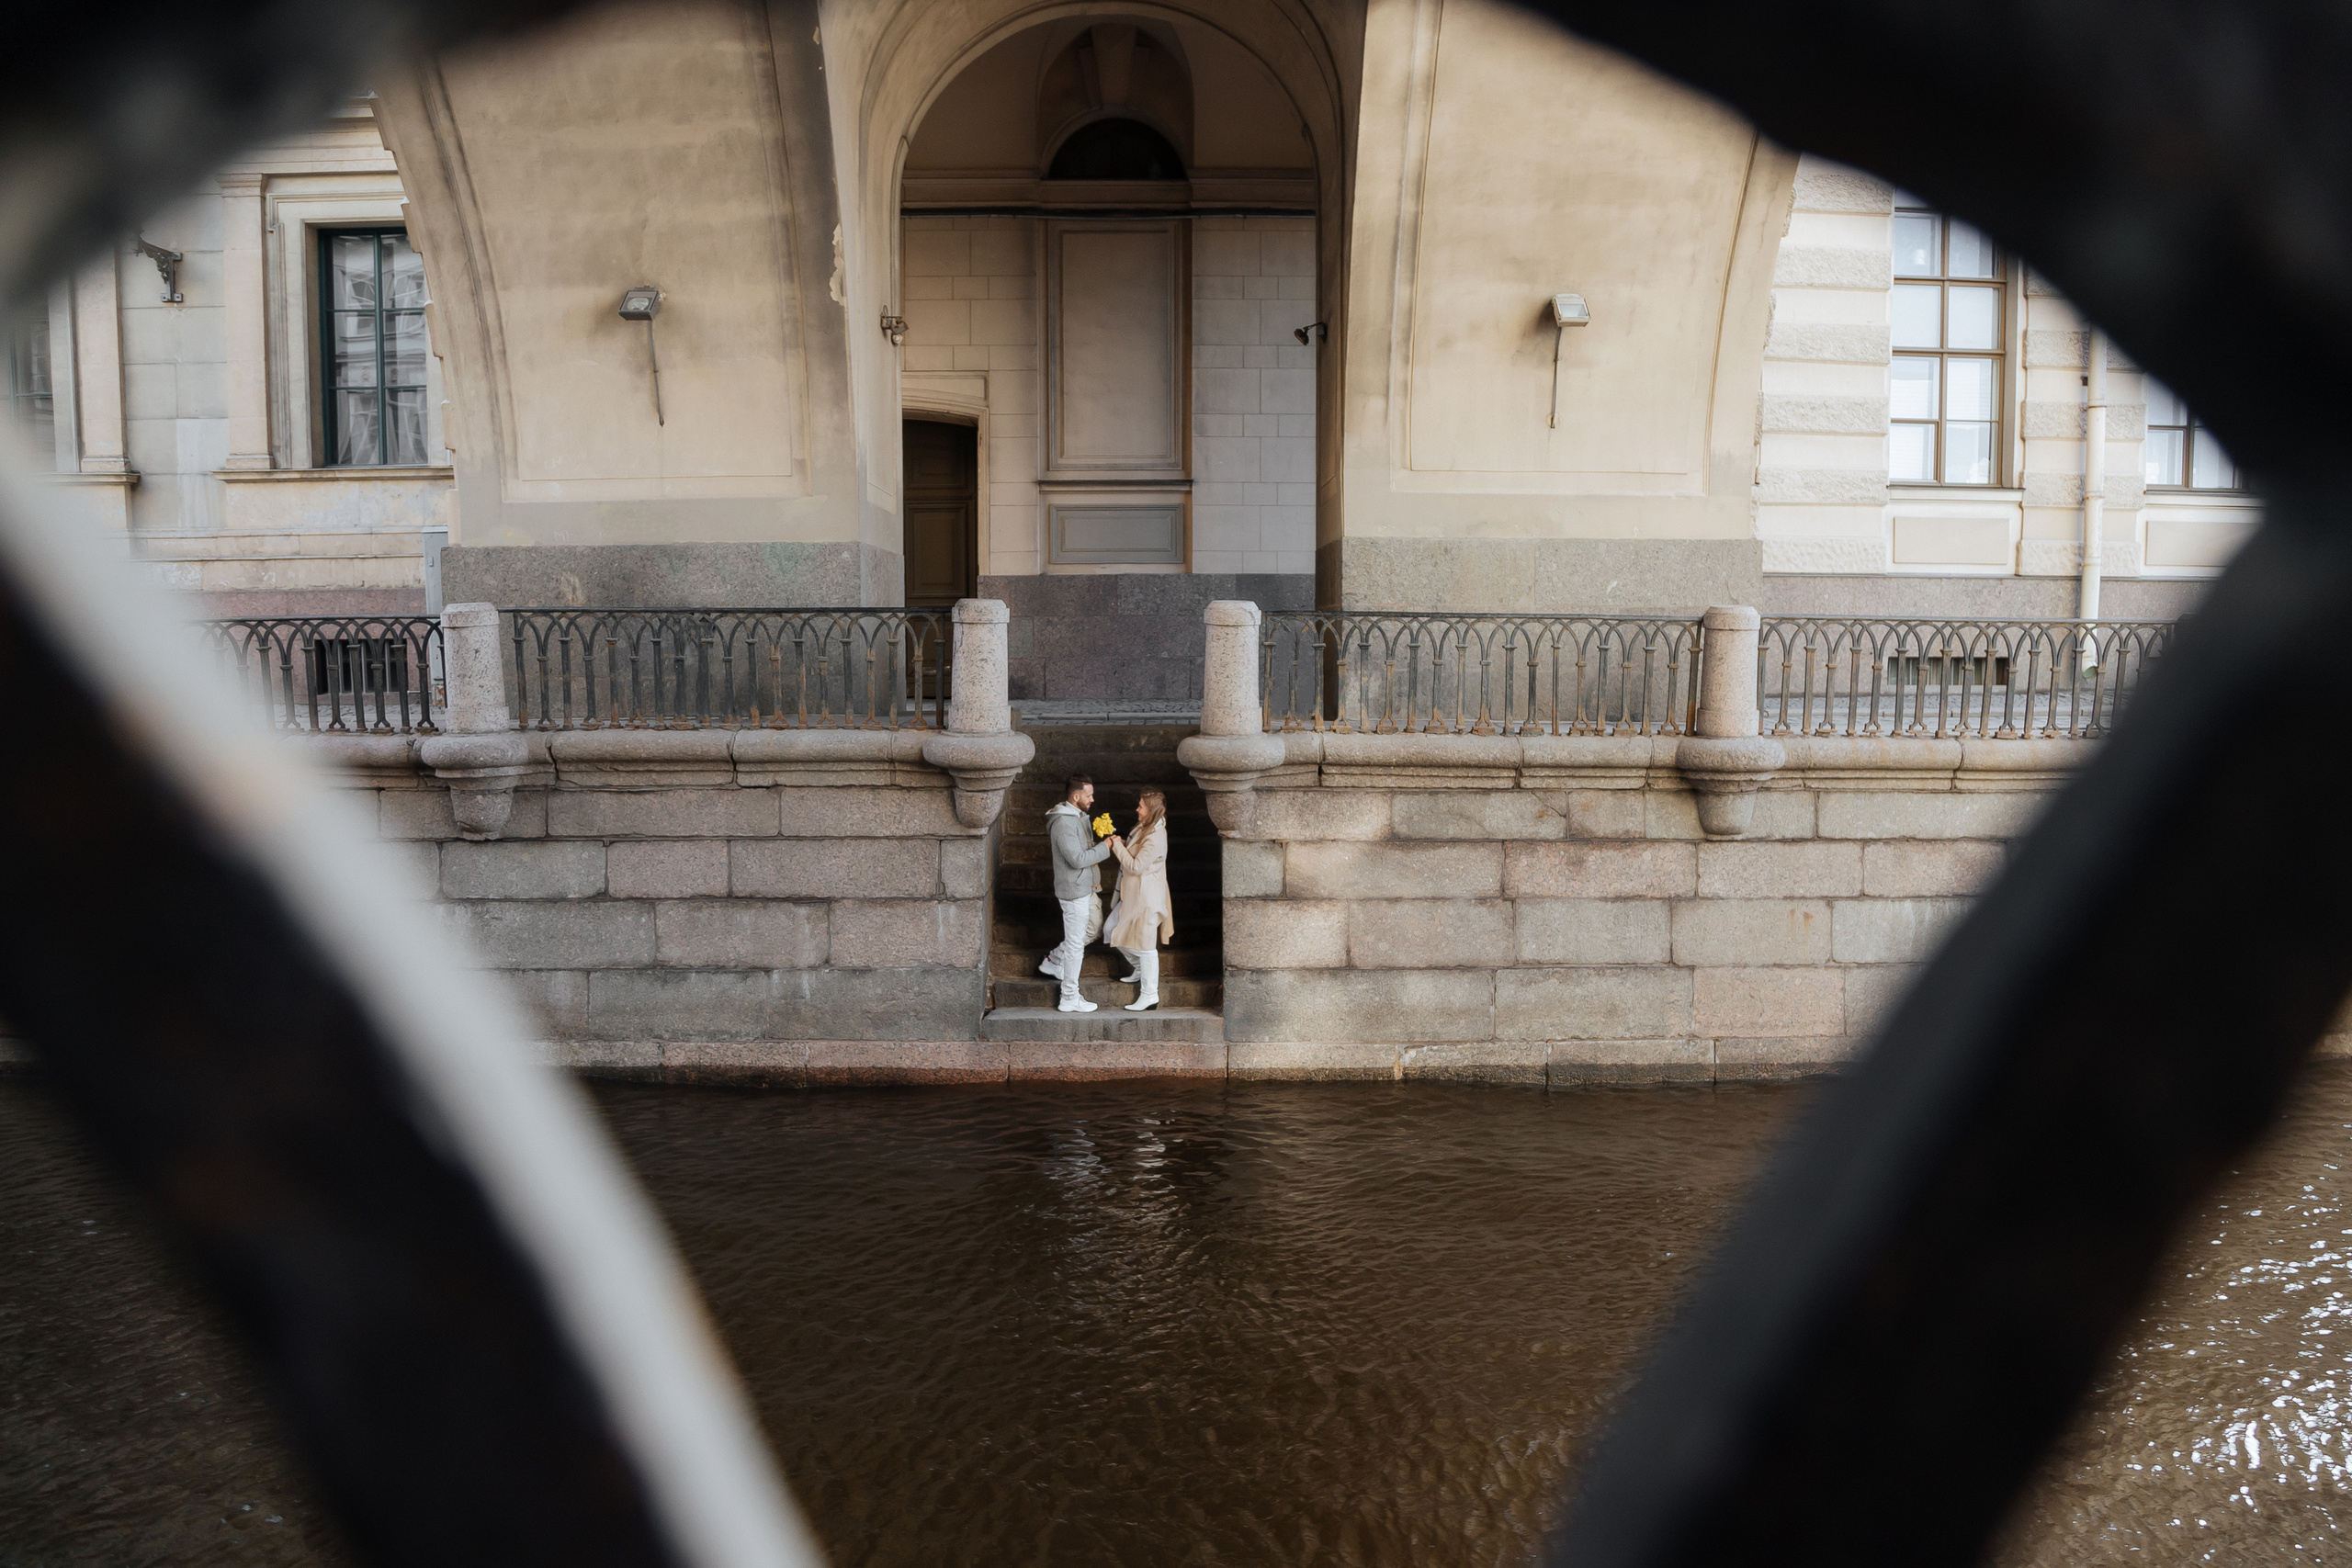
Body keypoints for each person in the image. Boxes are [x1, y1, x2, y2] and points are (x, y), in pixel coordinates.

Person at [1041, 772, 1114, 1013]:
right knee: (1075, 945)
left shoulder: (1077, 816)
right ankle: (1069, 997)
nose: (1092, 799)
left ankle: (1054, 960)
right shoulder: (1064, 822)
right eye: (1088, 795)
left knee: (1093, 928)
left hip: (1085, 888)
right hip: (1074, 891)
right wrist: (1106, 847)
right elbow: (1077, 859)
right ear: (1075, 796)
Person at [1103, 789, 1174, 1011]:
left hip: (1146, 898)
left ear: (1151, 810)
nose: (1137, 809)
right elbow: (1135, 851)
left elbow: (1135, 866)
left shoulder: (1155, 836)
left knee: (1146, 946)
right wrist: (1120, 842)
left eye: (1141, 806)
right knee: (1110, 930)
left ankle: (1150, 994)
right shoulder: (1145, 827)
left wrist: (1117, 847)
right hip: (1133, 896)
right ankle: (1141, 969)